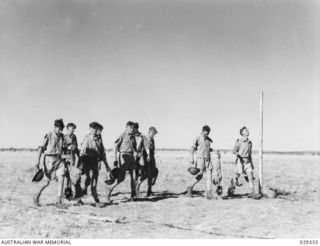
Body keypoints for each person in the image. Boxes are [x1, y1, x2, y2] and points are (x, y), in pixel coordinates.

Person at [33, 119, 68, 208]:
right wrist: (37, 162)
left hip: (59, 160)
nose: (60, 131)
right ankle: (36, 196)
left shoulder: (62, 137)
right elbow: (41, 149)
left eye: (62, 129)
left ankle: (59, 201)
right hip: (49, 160)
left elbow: (64, 149)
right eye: (59, 129)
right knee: (46, 182)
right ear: (55, 127)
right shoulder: (48, 135)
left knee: (61, 178)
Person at [77, 122, 111, 206]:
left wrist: (107, 166)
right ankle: (96, 200)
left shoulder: (99, 139)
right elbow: (82, 153)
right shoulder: (87, 139)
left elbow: (102, 153)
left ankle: (80, 198)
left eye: (95, 129)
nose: (94, 131)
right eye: (92, 129)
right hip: (87, 162)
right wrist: (79, 166)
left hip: (95, 162)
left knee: (90, 181)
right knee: (91, 181)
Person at [106, 121, 137, 201]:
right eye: (130, 127)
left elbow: (135, 147)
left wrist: (137, 153)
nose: (132, 129)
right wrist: (115, 159)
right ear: (126, 127)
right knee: (121, 178)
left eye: (133, 128)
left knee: (134, 177)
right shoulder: (122, 135)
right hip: (123, 157)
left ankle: (133, 195)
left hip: (131, 157)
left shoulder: (133, 137)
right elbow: (115, 146)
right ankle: (110, 189)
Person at [186, 125, 215, 200]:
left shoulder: (208, 139)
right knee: (200, 175)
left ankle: (208, 193)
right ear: (203, 131)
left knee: (209, 175)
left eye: (208, 133)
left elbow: (208, 148)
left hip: (208, 159)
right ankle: (190, 187)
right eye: (206, 132)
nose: (207, 134)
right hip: (200, 159)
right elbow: (192, 148)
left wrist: (210, 150)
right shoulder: (197, 138)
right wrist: (191, 158)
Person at [230, 126, 256, 197]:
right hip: (240, 162)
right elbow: (234, 151)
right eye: (245, 130)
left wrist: (252, 164)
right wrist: (237, 154)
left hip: (248, 162)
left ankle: (253, 193)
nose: (247, 131)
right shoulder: (239, 141)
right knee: (236, 178)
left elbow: (250, 154)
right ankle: (231, 190)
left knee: (250, 177)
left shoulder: (250, 142)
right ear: (242, 133)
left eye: (247, 130)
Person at [136, 126, 158, 197]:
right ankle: (138, 186)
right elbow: (146, 149)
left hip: (151, 158)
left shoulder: (152, 139)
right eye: (153, 133)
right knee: (148, 174)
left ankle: (149, 190)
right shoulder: (146, 138)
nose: (154, 135)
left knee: (153, 173)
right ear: (149, 132)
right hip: (147, 158)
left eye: (154, 134)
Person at [63, 123, 79, 200]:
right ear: (68, 128)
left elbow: (76, 148)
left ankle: (70, 193)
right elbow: (61, 149)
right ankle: (67, 193)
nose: (73, 130)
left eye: (74, 129)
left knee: (72, 176)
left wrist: (79, 157)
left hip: (72, 159)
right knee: (67, 177)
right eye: (72, 129)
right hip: (66, 159)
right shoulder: (63, 137)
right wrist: (67, 147)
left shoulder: (74, 137)